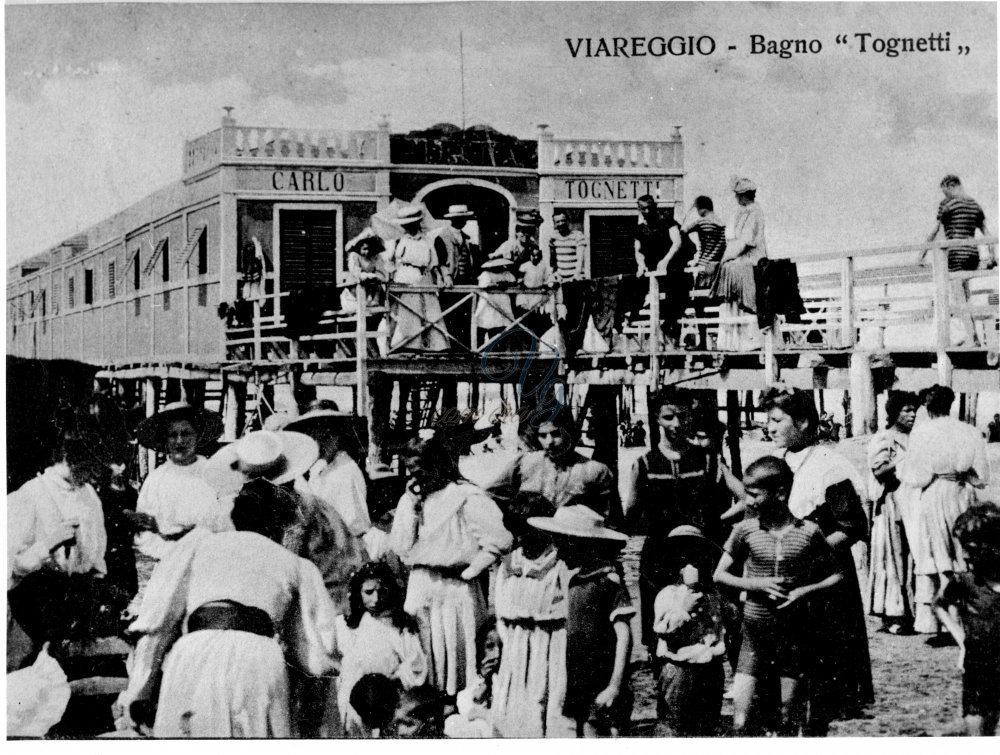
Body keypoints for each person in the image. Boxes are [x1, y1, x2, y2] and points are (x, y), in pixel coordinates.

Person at [115, 459, 340, 738]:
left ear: (233, 517)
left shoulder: (196, 546)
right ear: (277, 524)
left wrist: (140, 691)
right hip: (257, 659)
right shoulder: (295, 564)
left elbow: (158, 622)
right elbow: (317, 656)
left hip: (193, 654)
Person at [763, 387, 873, 730]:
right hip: (791, 572)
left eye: (777, 420)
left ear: (804, 422)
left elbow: (852, 526)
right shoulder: (780, 463)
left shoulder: (829, 464)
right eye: (769, 420)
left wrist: (810, 554)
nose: (770, 426)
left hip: (826, 575)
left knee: (825, 663)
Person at [714, 457, 844, 736]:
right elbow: (719, 575)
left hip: (793, 639)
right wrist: (754, 585)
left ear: (780, 493)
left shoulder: (809, 532)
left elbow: (836, 575)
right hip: (754, 636)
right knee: (741, 721)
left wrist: (804, 591)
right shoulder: (744, 530)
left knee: (788, 719)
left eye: (754, 494)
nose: (748, 501)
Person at [388, 436, 513, 696]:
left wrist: (470, 570)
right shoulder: (410, 500)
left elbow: (500, 541)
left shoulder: (465, 496)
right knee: (423, 649)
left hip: (455, 588)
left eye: (419, 466)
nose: (415, 474)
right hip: (422, 584)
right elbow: (400, 546)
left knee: (456, 652)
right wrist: (412, 505)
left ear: (436, 463)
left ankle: (456, 707)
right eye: (410, 468)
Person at [8, 431, 121, 653]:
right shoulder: (30, 495)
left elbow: (97, 557)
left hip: (81, 605)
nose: (97, 473)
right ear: (70, 457)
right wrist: (48, 544)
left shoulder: (88, 494)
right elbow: (10, 568)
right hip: (39, 608)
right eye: (93, 463)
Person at [622, 391, 716, 658]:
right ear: (656, 419)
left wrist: (714, 524)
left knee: (703, 627)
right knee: (659, 632)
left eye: (683, 416)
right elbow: (631, 512)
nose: (676, 424)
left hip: (698, 552)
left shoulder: (707, 459)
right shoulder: (644, 464)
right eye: (668, 417)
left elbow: (747, 498)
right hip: (659, 557)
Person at [527, 505, 634, 737]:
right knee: (583, 729)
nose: (557, 550)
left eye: (562, 543)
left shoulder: (607, 581)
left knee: (604, 731)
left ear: (581, 544)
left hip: (603, 678)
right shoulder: (576, 580)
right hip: (579, 679)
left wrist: (615, 684)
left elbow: (624, 635)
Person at [898, 384, 991, 644]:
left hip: (935, 492)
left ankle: (942, 623)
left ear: (927, 407)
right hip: (961, 492)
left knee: (939, 556)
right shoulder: (970, 431)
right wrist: (964, 475)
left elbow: (916, 475)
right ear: (950, 405)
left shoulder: (922, 432)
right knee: (965, 554)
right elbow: (981, 477)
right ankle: (968, 619)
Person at [491, 496, 574, 738]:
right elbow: (501, 603)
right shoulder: (510, 563)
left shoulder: (560, 563)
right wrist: (506, 637)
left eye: (527, 531)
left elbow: (569, 603)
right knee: (515, 697)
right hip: (516, 642)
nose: (521, 538)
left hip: (551, 643)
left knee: (546, 694)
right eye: (516, 531)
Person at [334, 562, 428, 737]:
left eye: (382, 591)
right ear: (358, 593)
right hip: (352, 700)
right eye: (369, 592)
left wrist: (394, 681)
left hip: (386, 701)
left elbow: (417, 664)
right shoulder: (348, 626)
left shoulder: (398, 626)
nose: (376, 599)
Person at [132, 402, 232, 561]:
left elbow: (227, 523)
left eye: (186, 434)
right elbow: (143, 532)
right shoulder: (156, 479)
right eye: (173, 435)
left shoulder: (214, 474)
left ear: (197, 436)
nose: (179, 441)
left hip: (210, 557)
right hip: (168, 558)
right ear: (165, 440)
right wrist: (171, 552)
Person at [486, 408, 621, 525]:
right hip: (530, 544)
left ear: (569, 433)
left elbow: (611, 520)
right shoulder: (525, 463)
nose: (549, 442)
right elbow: (491, 495)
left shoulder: (594, 470)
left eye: (556, 434)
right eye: (542, 436)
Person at [653, 526, 727, 737]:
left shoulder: (714, 595)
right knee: (674, 725)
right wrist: (683, 611)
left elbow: (723, 625)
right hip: (679, 669)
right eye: (684, 560)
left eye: (698, 558)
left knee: (707, 724)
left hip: (710, 669)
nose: (692, 565)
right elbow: (664, 633)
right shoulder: (668, 594)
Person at [934, 503, 1000, 736]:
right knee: (978, 729)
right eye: (962, 547)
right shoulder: (966, 582)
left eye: (971, 547)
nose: (963, 554)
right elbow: (939, 605)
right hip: (978, 665)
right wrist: (962, 641)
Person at [867, 391, 919, 634]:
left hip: (912, 501)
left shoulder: (915, 437)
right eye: (906, 410)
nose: (912, 414)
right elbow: (878, 471)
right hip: (891, 503)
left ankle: (911, 611)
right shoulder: (885, 438)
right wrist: (904, 462)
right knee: (893, 556)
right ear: (894, 413)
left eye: (914, 410)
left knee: (911, 556)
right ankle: (893, 613)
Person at [713, 177, 768, 351]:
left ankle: (752, 341)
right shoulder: (739, 212)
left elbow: (746, 240)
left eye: (739, 195)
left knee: (745, 287)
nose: (737, 198)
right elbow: (732, 238)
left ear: (746, 195)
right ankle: (733, 342)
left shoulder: (754, 211)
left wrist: (726, 258)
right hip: (737, 258)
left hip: (751, 259)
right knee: (729, 279)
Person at [388, 204, 451, 352]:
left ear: (417, 224)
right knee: (409, 309)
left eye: (411, 225)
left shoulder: (427, 240)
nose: (408, 228)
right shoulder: (400, 241)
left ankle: (434, 345)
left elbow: (434, 261)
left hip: (424, 276)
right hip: (406, 276)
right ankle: (408, 343)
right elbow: (392, 262)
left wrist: (439, 278)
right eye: (405, 225)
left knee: (429, 308)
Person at [444, 618, 504, 738]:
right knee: (453, 721)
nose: (497, 654)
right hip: (481, 718)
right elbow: (464, 703)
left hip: (496, 723)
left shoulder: (507, 676)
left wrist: (480, 714)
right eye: (490, 646)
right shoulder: (483, 676)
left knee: (481, 728)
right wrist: (484, 680)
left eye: (502, 647)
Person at [435, 204, 479, 349]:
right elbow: (440, 261)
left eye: (464, 218)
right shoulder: (441, 237)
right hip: (451, 282)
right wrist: (446, 276)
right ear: (452, 219)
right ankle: (450, 348)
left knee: (465, 316)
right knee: (450, 315)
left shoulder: (467, 238)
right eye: (459, 218)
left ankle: (464, 349)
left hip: (466, 282)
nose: (463, 221)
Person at [516, 241, 556, 342]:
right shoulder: (525, 266)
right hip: (526, 295)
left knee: (540, 320)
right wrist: (521, 283)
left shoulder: (543, 266)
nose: (536, 258)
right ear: (530, 256)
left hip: (538, 295)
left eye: (538, 255)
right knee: (525, 320)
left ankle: (540, 341)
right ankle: (527, 341)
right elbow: (519, 280)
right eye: (533, 255)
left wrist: (548, 284)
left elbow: (548, 278)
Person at [475, 257, 518, 349]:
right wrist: (497, 285)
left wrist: (506, 284)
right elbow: (483, 285)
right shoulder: (486, 274)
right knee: (487, 322)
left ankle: (500, 347)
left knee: (501, 323)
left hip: (502, 301)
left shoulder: (506, 273)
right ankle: (482, 348)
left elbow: (514, 282)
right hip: (489, 301)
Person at [548, 212, 587, 283]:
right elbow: (552, 260)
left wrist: (577, 274)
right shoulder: (553, 237)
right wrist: (555, 274)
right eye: (557, 221)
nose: (561, 223)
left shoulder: (577, 236)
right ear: (554, 224)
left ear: (567, 221)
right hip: (560, 278)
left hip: (574, 278)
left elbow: (580, 259)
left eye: (563, 220)